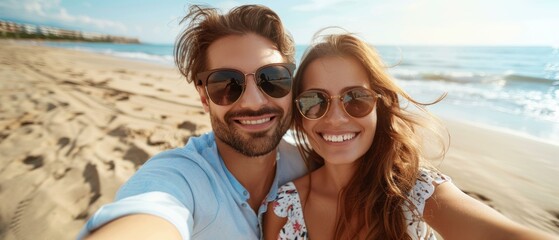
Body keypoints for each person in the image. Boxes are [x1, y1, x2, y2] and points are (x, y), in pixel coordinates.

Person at [263, 32, 558, 240]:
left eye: (356, 98)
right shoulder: (285, 207)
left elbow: (498, 234)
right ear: (300, 116)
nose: (336, 118)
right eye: (315, 100)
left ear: (381, 106)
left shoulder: (415, 192)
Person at [78, 4, 307, 240]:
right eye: (227, 83)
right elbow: (150, 214)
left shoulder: (311, 157)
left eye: (272, 78)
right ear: (204, 97)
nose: (253, 101)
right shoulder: (180, 180)